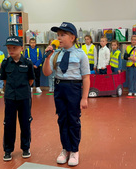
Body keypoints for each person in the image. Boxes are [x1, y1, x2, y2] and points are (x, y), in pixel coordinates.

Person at [43, 22, 90, 166]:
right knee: (62, 120)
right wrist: (47, 57)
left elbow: (86, 77)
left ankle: (74, 150)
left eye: (63, 35)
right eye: (58, 35)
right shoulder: (56, 54)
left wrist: (84, 98)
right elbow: (47, 72)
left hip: (74, 89)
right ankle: (66, 149)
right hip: (59, 88)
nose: (59, 38)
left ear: (72, 37)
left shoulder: (81, 54)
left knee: (73, 120)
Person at [0, 36, 35, 161]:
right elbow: (4, 80)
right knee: (9, 124)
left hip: (24, 97)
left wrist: (22, 89)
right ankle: (8, 150)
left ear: (21, 48)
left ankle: (26, 148)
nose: (11, 50)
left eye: (14, 48)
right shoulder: (5, 63)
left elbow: (31, 80)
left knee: (25, 122)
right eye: (9, 48)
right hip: (10, 97)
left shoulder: (28, 63)